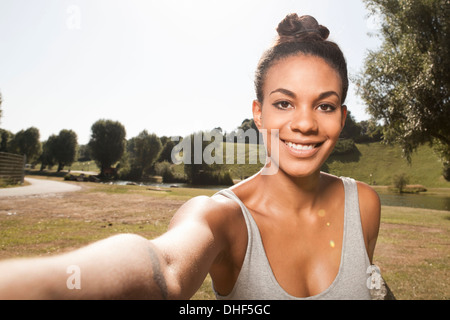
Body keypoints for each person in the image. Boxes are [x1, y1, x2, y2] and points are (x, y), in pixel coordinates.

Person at [0, 13, 381, 300]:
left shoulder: (363, 205)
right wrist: (37, 284)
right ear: (259, 113)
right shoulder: (224, 217)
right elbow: (162, 266)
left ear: (342, 118)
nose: (304, 124)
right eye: (284, 103)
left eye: (325, 106)